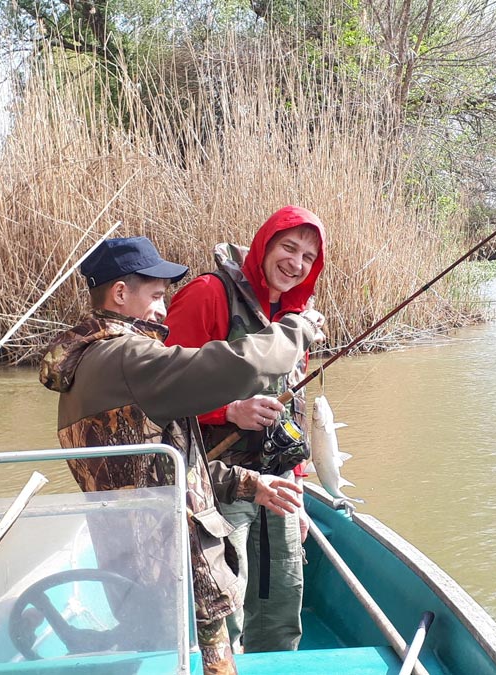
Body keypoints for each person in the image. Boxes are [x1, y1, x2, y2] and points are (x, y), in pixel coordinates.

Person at [38, 236, 324, 674]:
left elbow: (157, 468)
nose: (162, 309)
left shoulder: (84, 370)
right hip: (170, 572)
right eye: (154, 296)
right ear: (120, 294)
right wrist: (297, 329)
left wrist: (250, 483)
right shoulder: (124, 358)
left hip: (131, 571)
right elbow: (235, 365)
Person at [164, 206, 326, 653]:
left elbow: (292, 408)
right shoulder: (207, 295)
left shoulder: (298, 318)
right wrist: (229, 410)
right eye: (288, 248)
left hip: (279, 486)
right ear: (263, 246)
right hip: (218, 483)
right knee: (223, 611)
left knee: (283, 602)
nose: (296, 264)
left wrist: (299, 490)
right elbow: (162, 390)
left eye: (308, 258)